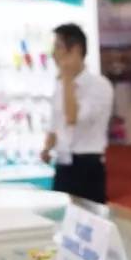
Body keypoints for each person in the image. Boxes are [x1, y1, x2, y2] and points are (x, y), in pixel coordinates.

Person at [41, 23, 112, 204]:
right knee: (62, 214)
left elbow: (72, 118)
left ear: (76, 50)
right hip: (63, 163)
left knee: (89, 216)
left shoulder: (99, 86)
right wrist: (47, 148)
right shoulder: (60, 86)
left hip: (87, 165)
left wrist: (66, 78)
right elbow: (55, 123)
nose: (54, 54)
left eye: (58, 47)